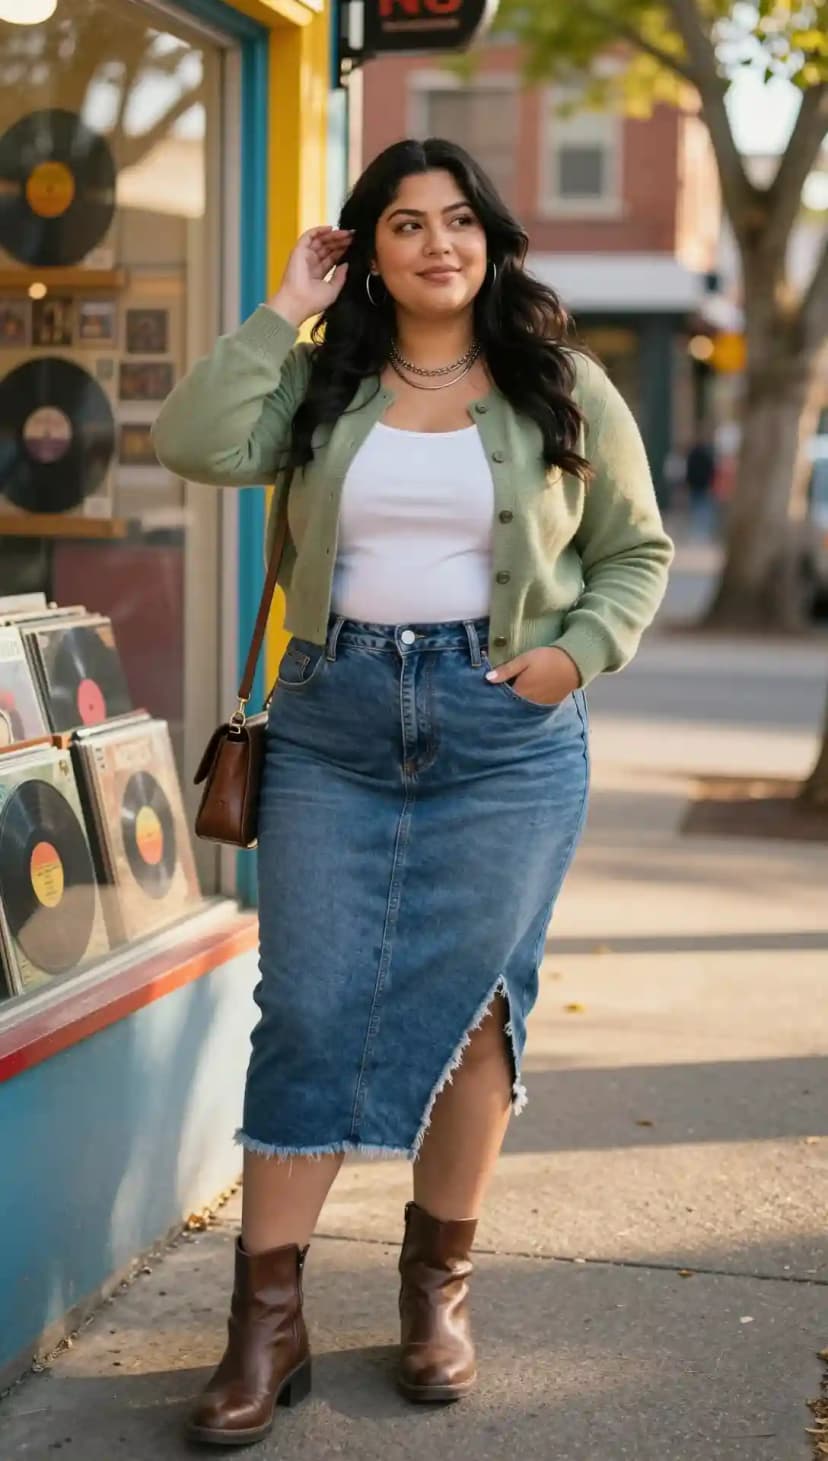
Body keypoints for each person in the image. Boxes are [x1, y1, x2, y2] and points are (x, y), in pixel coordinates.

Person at [152, 137, 674, 1448]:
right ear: (366, 249)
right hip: (331, 728)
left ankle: (436, 1288)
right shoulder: (323, 378)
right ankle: (265, 1322)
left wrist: (573, 656)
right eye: (402, 223)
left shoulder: (565, 387)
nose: (435, 242)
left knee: (476, 1019)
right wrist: (286, 307)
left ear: (490, 240)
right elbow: (195, 442)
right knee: (309, 1006)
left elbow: (636, 550)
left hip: (503, 738)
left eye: (457, 220)